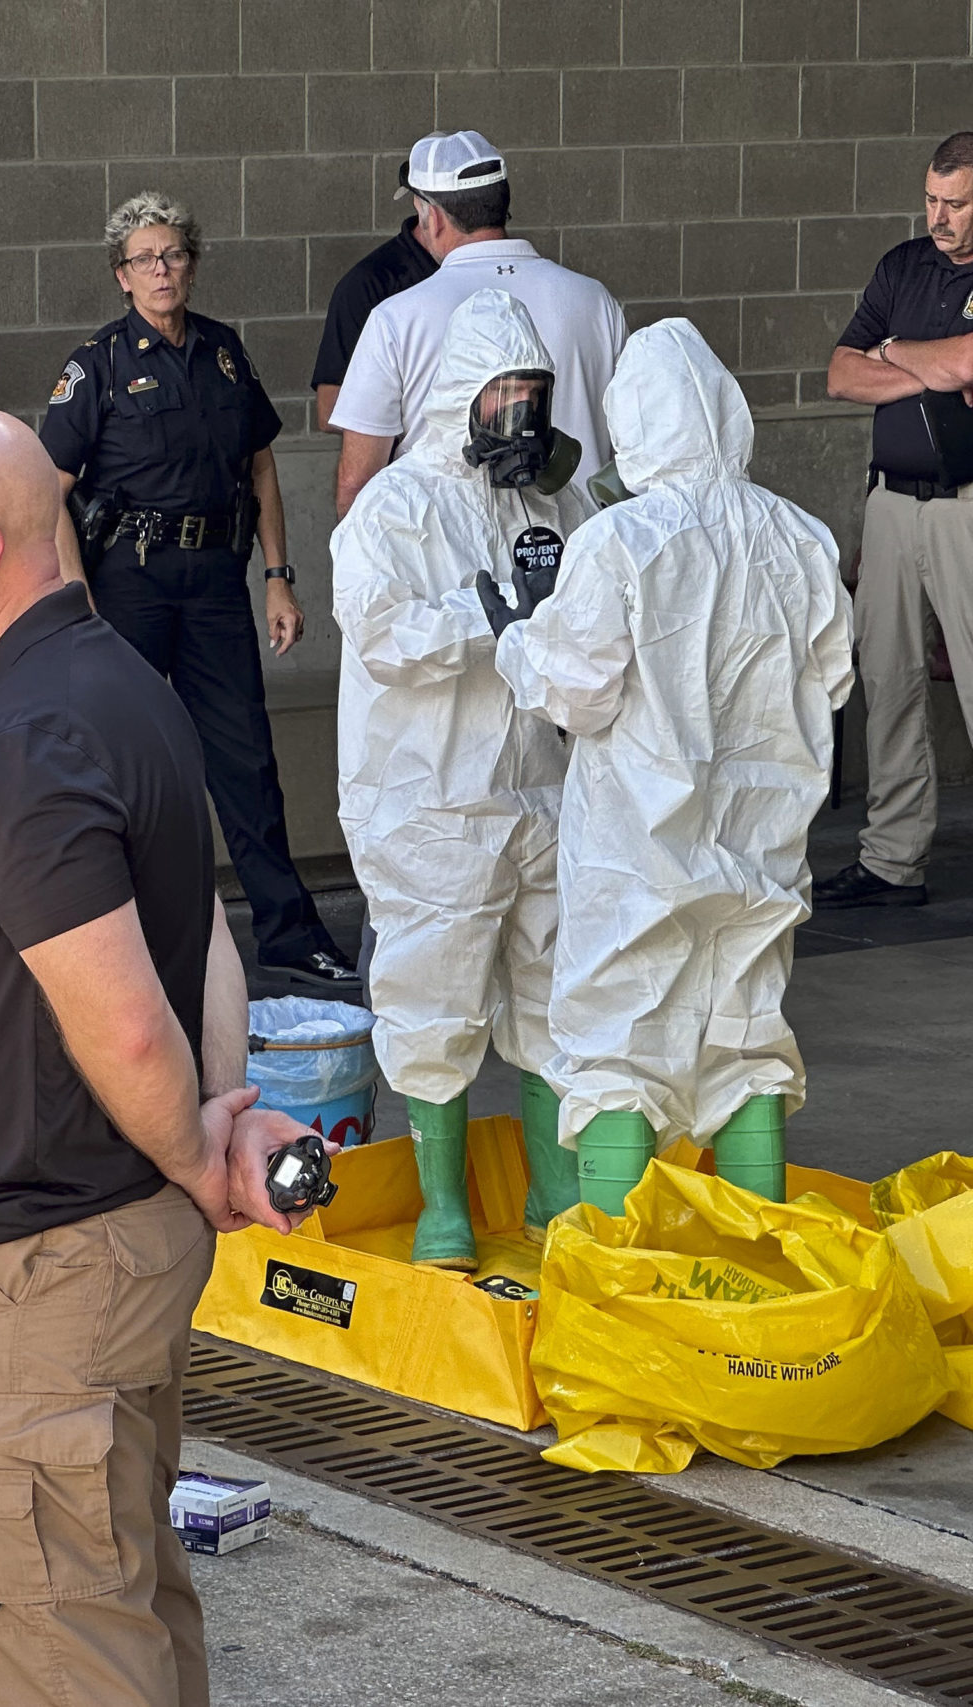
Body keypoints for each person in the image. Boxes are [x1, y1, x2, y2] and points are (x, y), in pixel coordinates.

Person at [0, 407, 316, 1707]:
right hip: (105, 1239)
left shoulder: (28, 738)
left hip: (48, 1272)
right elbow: (201, 926)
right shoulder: (112, 683)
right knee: (120, 1601)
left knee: (64, 1637)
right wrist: (215, 1122)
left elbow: (119, 1014)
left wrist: (195, 1146)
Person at [491, 318, 854, 1213]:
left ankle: (627, 1293)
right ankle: (755, 1264)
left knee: (618, 1048)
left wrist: (518, 639)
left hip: (636, 849)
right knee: (746, 1039)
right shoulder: (801, 537)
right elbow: (836, 678)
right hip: (759, 843)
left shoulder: (618, 542)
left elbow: (577, 696)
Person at [332, 290, 594, 1266]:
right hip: (431, 797)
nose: (521, 410)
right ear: (462, 396)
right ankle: (443, 1205)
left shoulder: (546, 502)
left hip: (539, 789)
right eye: (506, 390)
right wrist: (486, 612)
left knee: (552, 991)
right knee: (434, 995)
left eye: (535, 389)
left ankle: (553, 1199)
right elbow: (385, 637)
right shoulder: (393, 508)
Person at [40, 190, 356, 994]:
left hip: (216, 580)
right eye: (145, 258)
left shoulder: (222, 351)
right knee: (135, 765)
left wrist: (279, 579)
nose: (162, 269)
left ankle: (288, 931)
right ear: (121, 275)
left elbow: (260, 465)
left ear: (192, 263)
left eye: (174, 254)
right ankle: (135, 938)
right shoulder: (98, 365)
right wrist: (76, 601)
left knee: (245, 759)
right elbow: (48, 491)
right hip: (129, 586)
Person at [820, 131, 973, 943]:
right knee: (886, 680)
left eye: (954, 203)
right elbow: (839, 372)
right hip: (893, 506)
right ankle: (893, 860)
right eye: (930, 199)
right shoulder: (903, 266)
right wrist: (917, 358)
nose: (938, 217)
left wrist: (904, 355)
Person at [330, 131, 627, 517]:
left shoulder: (396, 318)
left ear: (430, 216)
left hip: (452, 565)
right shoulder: (595, 301)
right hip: (583, 557)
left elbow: (358, 482)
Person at [310, 210, 437, 430]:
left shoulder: (496, 269)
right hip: (407, 459)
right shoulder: (370, 282)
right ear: (431, 210)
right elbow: (331, 408)